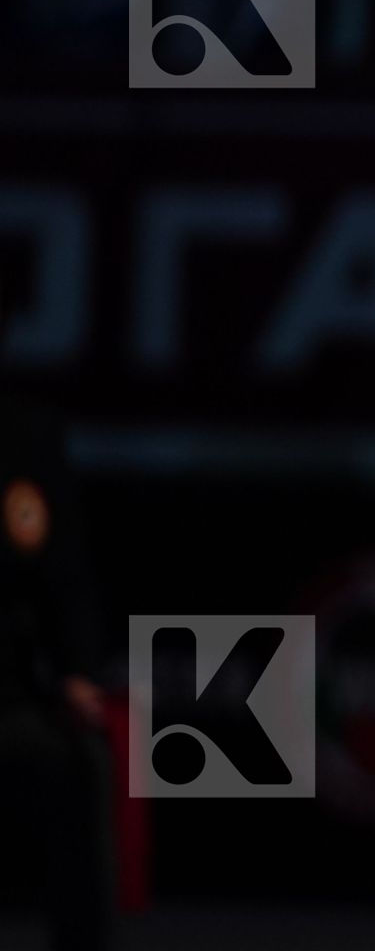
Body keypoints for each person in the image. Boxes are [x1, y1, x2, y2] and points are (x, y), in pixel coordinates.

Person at [0, 393, 114, 951]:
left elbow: (67, 578)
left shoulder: (25, 440)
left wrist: (78, 674)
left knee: (79, 764)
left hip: (7, 700)